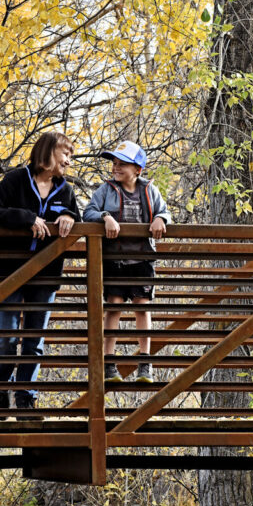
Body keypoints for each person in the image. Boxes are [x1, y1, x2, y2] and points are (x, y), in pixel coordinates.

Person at [0, 131, 80, 413]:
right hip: (9, 271)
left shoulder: (65, 190)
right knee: (7, 340)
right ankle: (2, 388)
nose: (69, 162)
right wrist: (26, 219)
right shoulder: (15, 180)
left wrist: (69, 217)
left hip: (45, 276)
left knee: (34, 340)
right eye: (66, 154)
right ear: (48, 152)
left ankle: (26, 397)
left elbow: (78, 216)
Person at [83, 140, 170, 382]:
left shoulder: (149, 190)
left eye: (123, 164)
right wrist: (105, 216)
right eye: (114, 163)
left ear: (138, 169)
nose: (116, 167)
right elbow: (88, 212)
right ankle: (109, 363)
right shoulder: (105, 190)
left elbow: (165, 211)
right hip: (114, 259)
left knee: (142, 306)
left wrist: (161, 218)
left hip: (142, 259)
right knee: (114, 304)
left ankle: (145, 362)